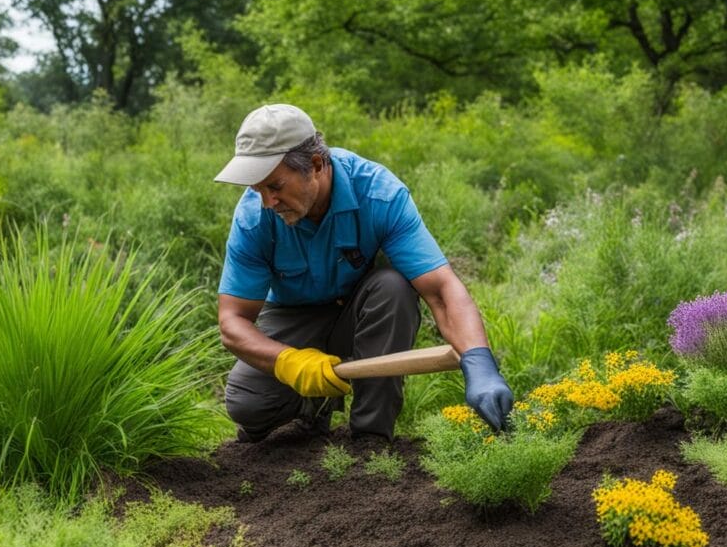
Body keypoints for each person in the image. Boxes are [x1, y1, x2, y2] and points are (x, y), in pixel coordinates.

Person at [214, 103, 513, 442]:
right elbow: (232, 322)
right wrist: (288, 361)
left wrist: (478, 362)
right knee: (247, 406)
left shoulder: (379, 195)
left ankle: (371, 436)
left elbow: (441, 290)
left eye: (276, 186)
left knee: (394, 287)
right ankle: (314, 410)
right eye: (257, 188)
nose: (268, 202)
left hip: (361, 313)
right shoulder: (254, 217)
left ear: (315, 165)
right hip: (292, 317)